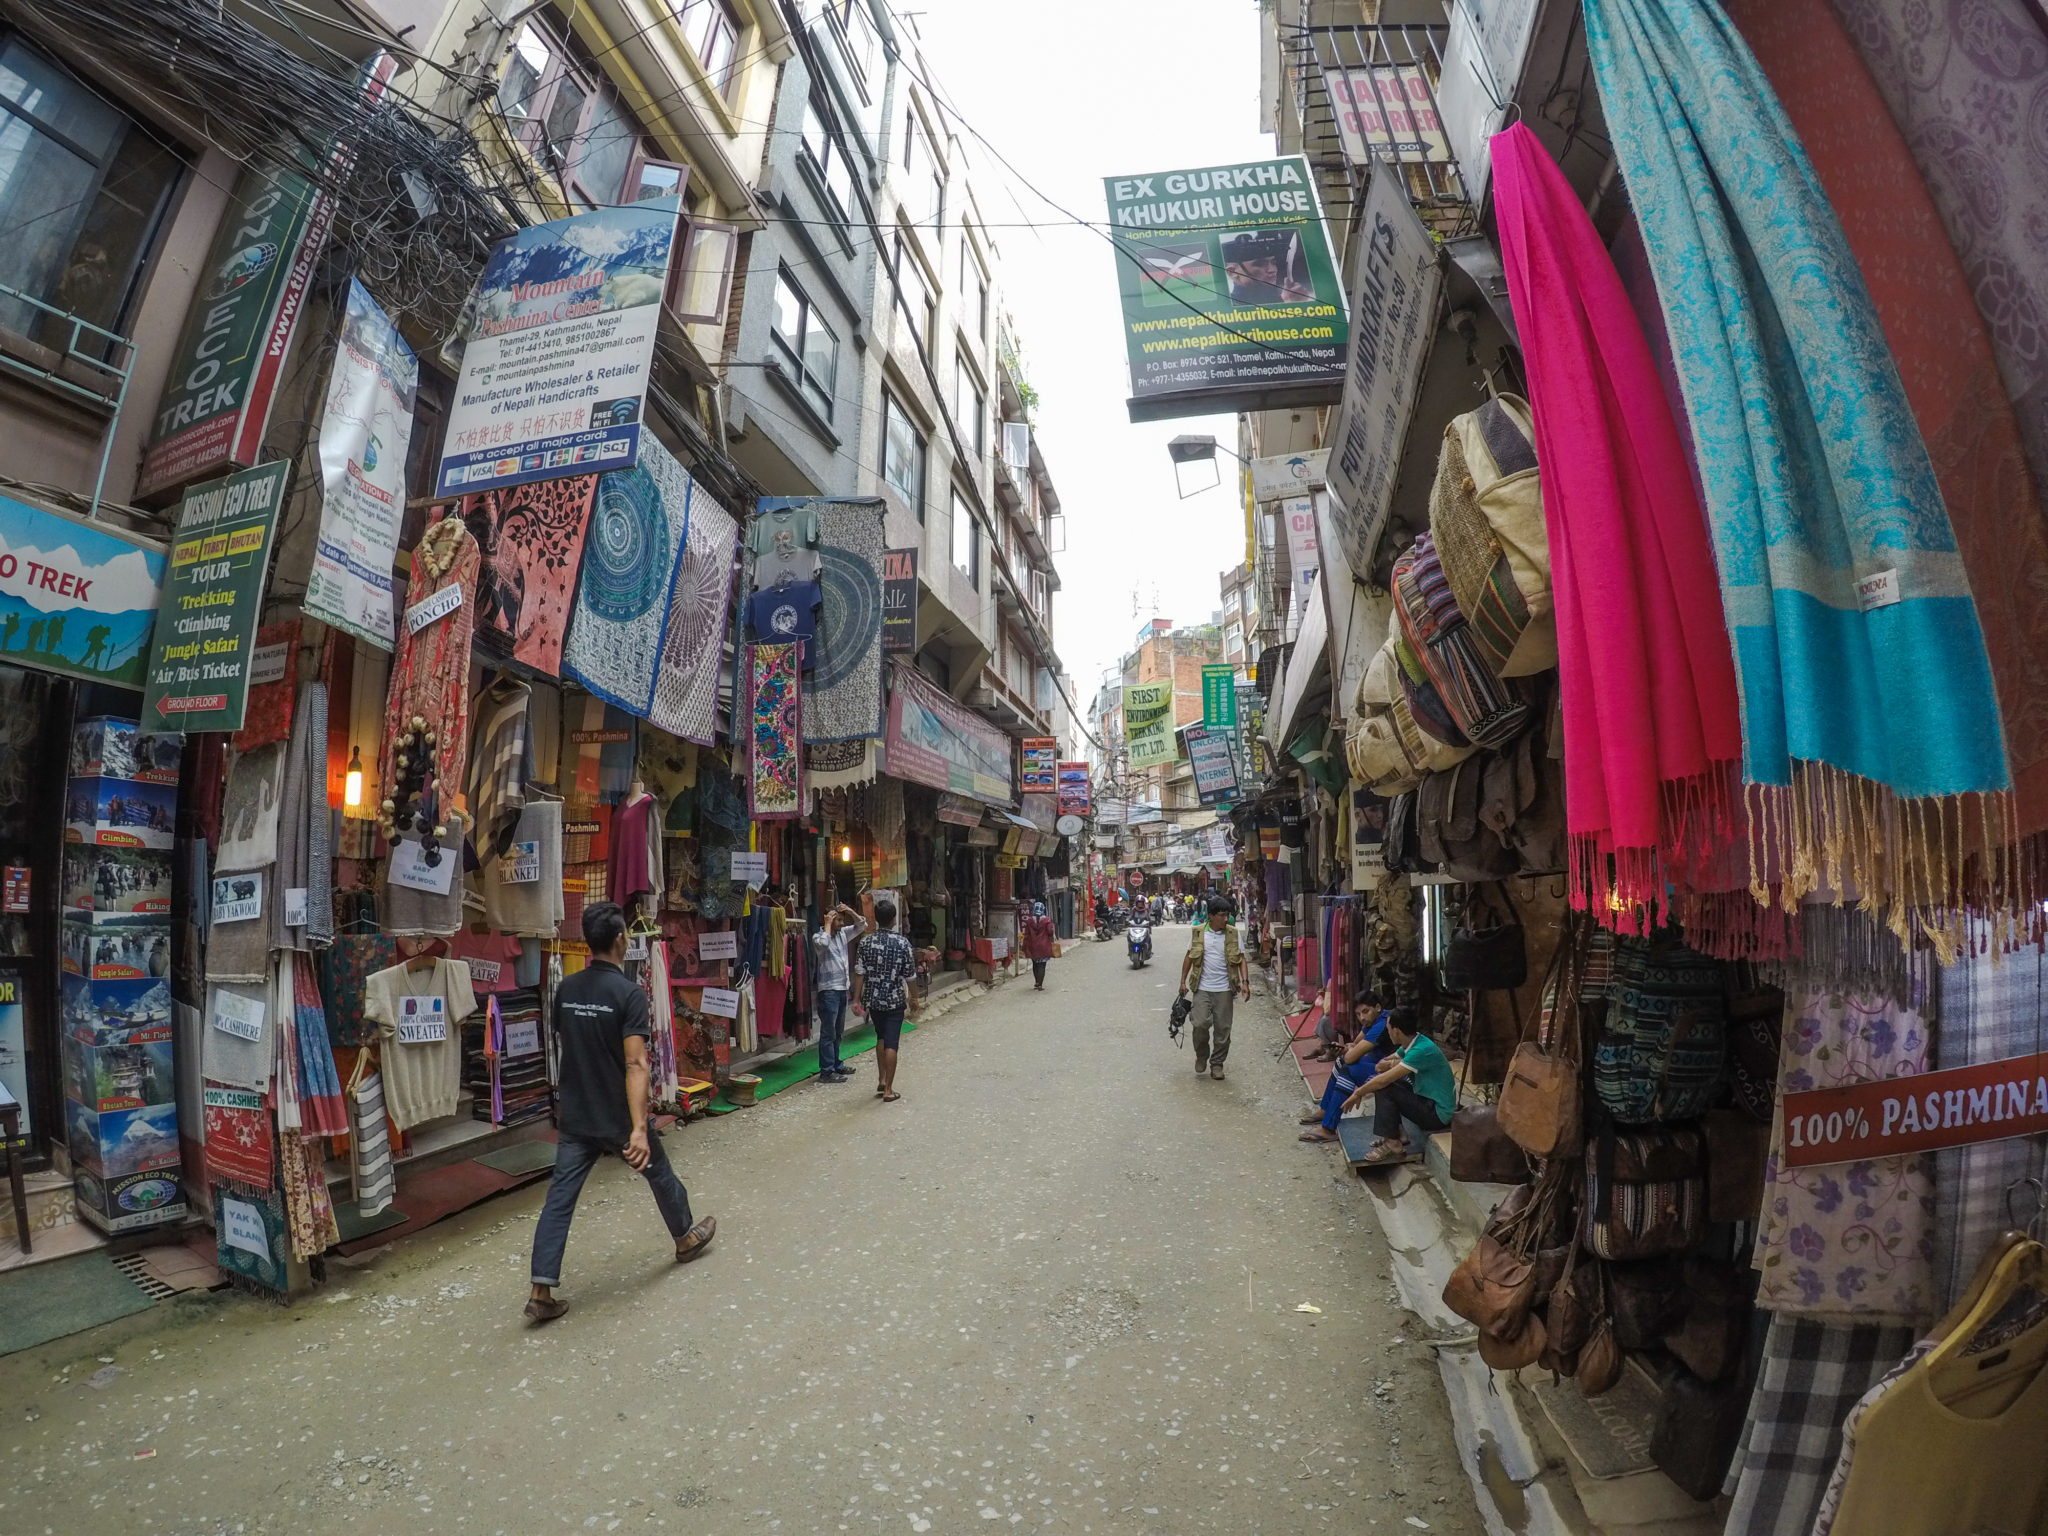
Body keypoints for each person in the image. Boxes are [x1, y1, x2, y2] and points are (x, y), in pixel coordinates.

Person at [525, 901, 716, 1324]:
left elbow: (568, 1042)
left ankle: (541, 1288)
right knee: (659, 1172)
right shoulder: (628, 994)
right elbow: (636, 1063)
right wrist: (637, 1129)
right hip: (615, 1114)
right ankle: (684, 1238)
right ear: (619, 941)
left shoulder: (567, 990)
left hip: (576, 1113)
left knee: (560, 1199)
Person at [1342, 1006, 1457, 1167]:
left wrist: (1358, 1093)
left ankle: (1393, 1143)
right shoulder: (1413, 1042)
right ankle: (1397, 1134)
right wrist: (1389, 1065)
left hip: (1437, 1114)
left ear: (1396, 1031)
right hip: (1427, 1101)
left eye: (1388, 1029)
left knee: (1384, 1086)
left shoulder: (1421, 1050)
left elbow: (1384, 1078)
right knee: (1386, 1083)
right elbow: (1382, 1066)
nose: (1388, 1033)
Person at [1298, 997, 1391, 1143]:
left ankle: (1328, 1128)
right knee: (1341, 1062)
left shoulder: (1381, 1025)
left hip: (1393, 1073)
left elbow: (1351, 1057)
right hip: (1379, 1064)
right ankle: (1325, 1111)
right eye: (1358, 1014)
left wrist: (1349, 1051)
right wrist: (1346, 1048)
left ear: (1378, 1007)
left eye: (1365, 1012)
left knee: (1347, 1069)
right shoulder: (1374, 1019)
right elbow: (1354, 1044)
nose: (1362, 1017)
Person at [1176, 897, 1249, 1079]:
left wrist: (1245, 982)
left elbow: (1241, 959)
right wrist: (1182, 981)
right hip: (1202, 988)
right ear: (1211, 916)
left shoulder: (1232, 934)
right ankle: (1202, 1056)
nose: (1226, 919)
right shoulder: (1198, 933)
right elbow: (1189, 957)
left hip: (1225, 989)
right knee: (1199, 1024)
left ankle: (1217, 1064)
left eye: (1227, 915)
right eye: (1222, 915)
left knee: (1223, 1029)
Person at [851, 898, 916, 1103]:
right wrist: (914, 997)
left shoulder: (866, 942)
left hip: (873, 999)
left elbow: (859, 973)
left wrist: (856, 999)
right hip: (894, 999)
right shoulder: (902, 942)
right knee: (891, 1043)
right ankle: (888, 1089)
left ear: (877, 919)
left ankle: (881, 1078)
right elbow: (910, 975)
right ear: (894, 919)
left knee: (880, 1036)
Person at [811, 902, 866, 1082]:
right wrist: (827, 924)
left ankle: (836, 1064)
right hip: (828, 990)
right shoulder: (818, 936)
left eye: (842, 920)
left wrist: (850, 910)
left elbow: (862, 925)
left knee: (838, 1031)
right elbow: (823, 945)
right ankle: (826, 1071)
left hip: (842, 988)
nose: (842, 923)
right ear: (829, 919)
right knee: (828, 1032)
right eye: (838, 920)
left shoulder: (842, 934)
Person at [1020, 900, 1056, 990]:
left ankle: (1036, 982)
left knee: (1035, 964)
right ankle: (1040, 984)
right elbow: (1050, 932)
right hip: (1044, 946)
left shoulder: (1029, 920)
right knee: (1042, 965)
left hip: (1032, 946)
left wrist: (1024, 945)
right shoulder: (1046, 920)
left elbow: (1026, 934)